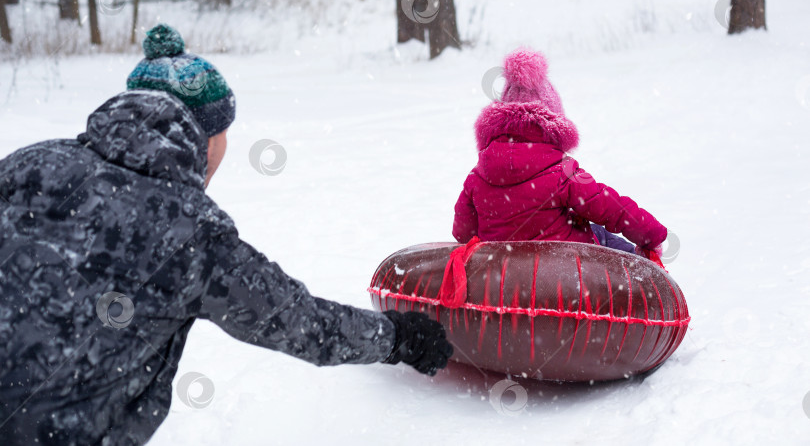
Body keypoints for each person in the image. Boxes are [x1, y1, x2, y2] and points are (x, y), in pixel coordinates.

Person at [0, 24, 452, 446]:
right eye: (223, 133)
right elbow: (297, 322)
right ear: (205, 136)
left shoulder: (29, 163)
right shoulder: (191, 231)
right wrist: (397, 337)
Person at [453, 48, 666, 255]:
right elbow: (609, 207)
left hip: (505, 274)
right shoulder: (561, 171)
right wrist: (652, 235)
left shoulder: (478, 175)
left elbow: (463, 232)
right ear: (552, 124)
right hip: (562, 270)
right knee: (605, 239)